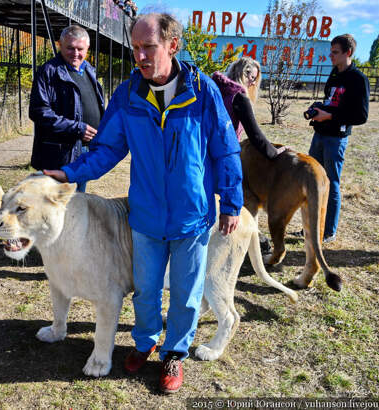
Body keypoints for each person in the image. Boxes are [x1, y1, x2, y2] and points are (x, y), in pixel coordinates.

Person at [44, 13, 243, 394]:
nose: (139, 55)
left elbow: (226, 149)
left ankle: (174, 353)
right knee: (146, 289)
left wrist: (232, 202)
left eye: (147, 47)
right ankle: (145, 342)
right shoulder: (129, 94)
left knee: (185, 295)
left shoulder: (203, 92)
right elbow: (107, 147)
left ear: (172, 45)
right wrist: (69, 174)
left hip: (192, 217)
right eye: (135, 48)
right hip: (146, 217)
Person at [299, 34, 369, 243]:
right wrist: (319, 108)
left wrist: (330, 115)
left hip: (336, 139)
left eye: (335, 52)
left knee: (331, 183)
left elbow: (361, 116)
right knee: (312, 181)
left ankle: (328, 231)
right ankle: (310, 227)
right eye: (331, 51)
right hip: (320, 134)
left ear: (348, 53)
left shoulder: (358, 79)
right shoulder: (334, 74)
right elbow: (333, 101)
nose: (331, 55)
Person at [29, 25, 105, 192]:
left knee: (77, 202)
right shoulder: (48, 72)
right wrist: (77, 128)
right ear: (60, 45)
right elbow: (39, 111)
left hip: (84, 150)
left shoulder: (89, 70)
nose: (75, 53)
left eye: (80, 49)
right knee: (54, 205)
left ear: (88, 48)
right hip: (59, 155)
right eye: (70, 48)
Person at [211, 56, 287, 159]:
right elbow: (254, 134)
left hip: (207, 150)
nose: (254, 83)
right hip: (225, 154)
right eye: (253, 78)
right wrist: (274, 153)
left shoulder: (217, 91)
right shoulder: (239, 98)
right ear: (243, 74)